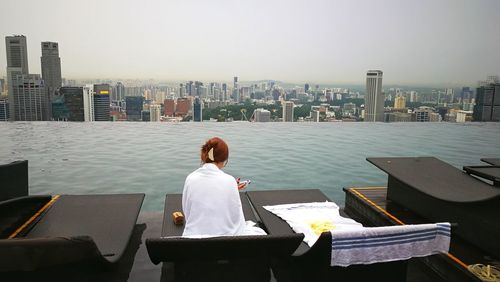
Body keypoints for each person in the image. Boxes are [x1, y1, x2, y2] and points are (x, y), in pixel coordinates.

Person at [182, 137, 266, 237]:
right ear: (224, 159)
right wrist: (231, 189)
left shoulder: (190, 178)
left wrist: (231, 188)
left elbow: (187, 211)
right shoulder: (229, 181)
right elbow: (236, 218)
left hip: (194, 239)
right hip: (225, 242)